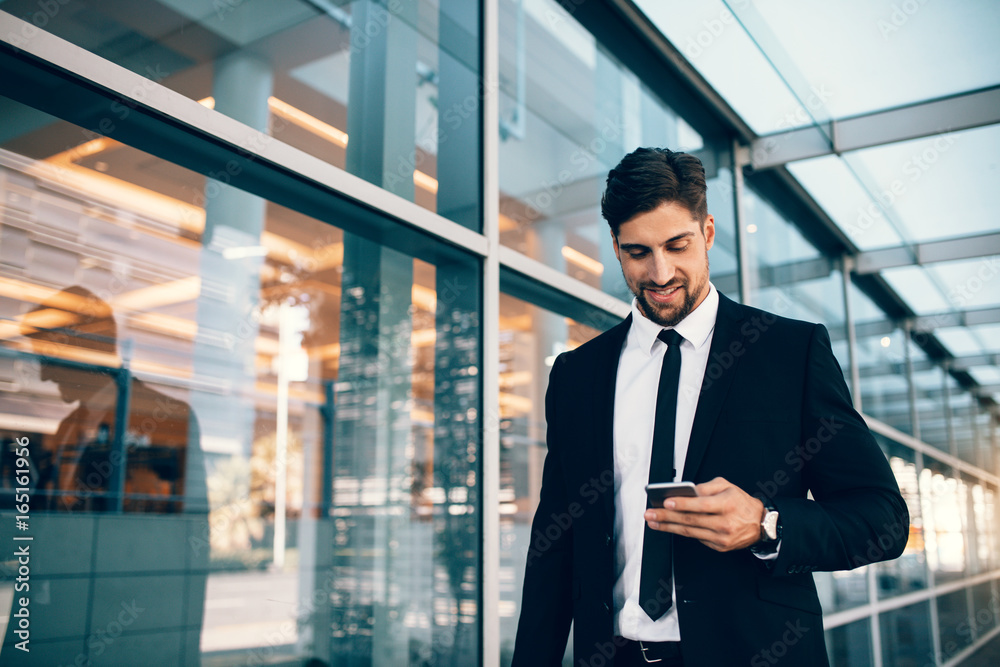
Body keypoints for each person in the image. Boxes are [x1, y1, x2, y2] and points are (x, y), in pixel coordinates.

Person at [511, 148, 909, 666]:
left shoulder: (790, 353)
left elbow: (882, 520)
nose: (659, 272)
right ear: (614, 246)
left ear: (708, 232)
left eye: (677, 245)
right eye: (638, 252)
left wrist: (767, 525)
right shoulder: (576, 375)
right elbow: (554, 544)